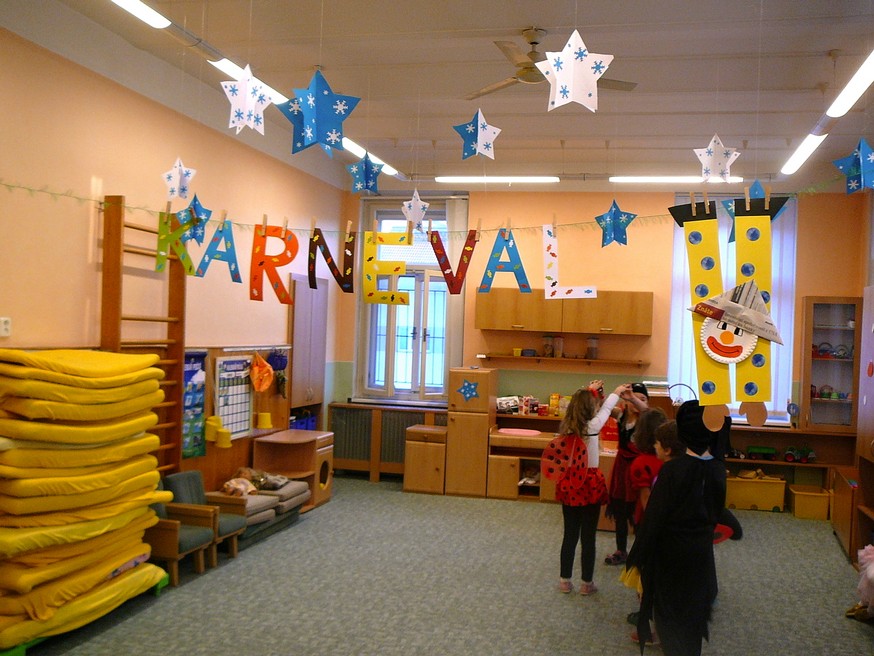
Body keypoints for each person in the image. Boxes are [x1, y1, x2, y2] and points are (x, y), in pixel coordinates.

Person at [625, 405, 727, 656]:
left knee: (669, 611)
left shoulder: (673, 470)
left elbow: (655, 516)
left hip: (671, 552)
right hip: (699, 551)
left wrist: (638, 555)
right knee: (691, 612)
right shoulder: (715, 467)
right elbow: (717, 510)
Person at [543, 380, 631, 596]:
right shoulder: (593, 427)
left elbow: (590, 403)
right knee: (588, 537)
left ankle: (565, 581)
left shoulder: (567, 426)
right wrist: (616, 392)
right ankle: (586, 583)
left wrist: (593, 391)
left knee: (570, 535)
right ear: (590, 409)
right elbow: (607, 408)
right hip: (588, 483)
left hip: (570, 483)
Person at [604, 382, 650, 566]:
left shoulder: (647, 419)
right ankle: (621, 550)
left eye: (643, 399)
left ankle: (640, 552)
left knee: (640, 512)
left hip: (639, 470)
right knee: (620, 511)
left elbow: (646, 410)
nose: (639, 402)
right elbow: (603, 407)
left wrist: (633, 398)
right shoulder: (621, 415)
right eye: (634, 398)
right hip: (622, 468)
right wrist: (602, 393)